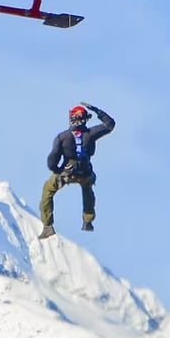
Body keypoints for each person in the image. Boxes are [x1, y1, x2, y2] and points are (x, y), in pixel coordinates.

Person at [38, 102, 116, 240]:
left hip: (66, 174)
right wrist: (97, 110)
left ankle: (48, 226)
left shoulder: (62, 137)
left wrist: (56, 170)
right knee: (87, 190)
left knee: (47, 190)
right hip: (85, 173)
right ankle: (88, 222)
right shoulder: (91, 134)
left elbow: (52, 159)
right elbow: (110, 124)